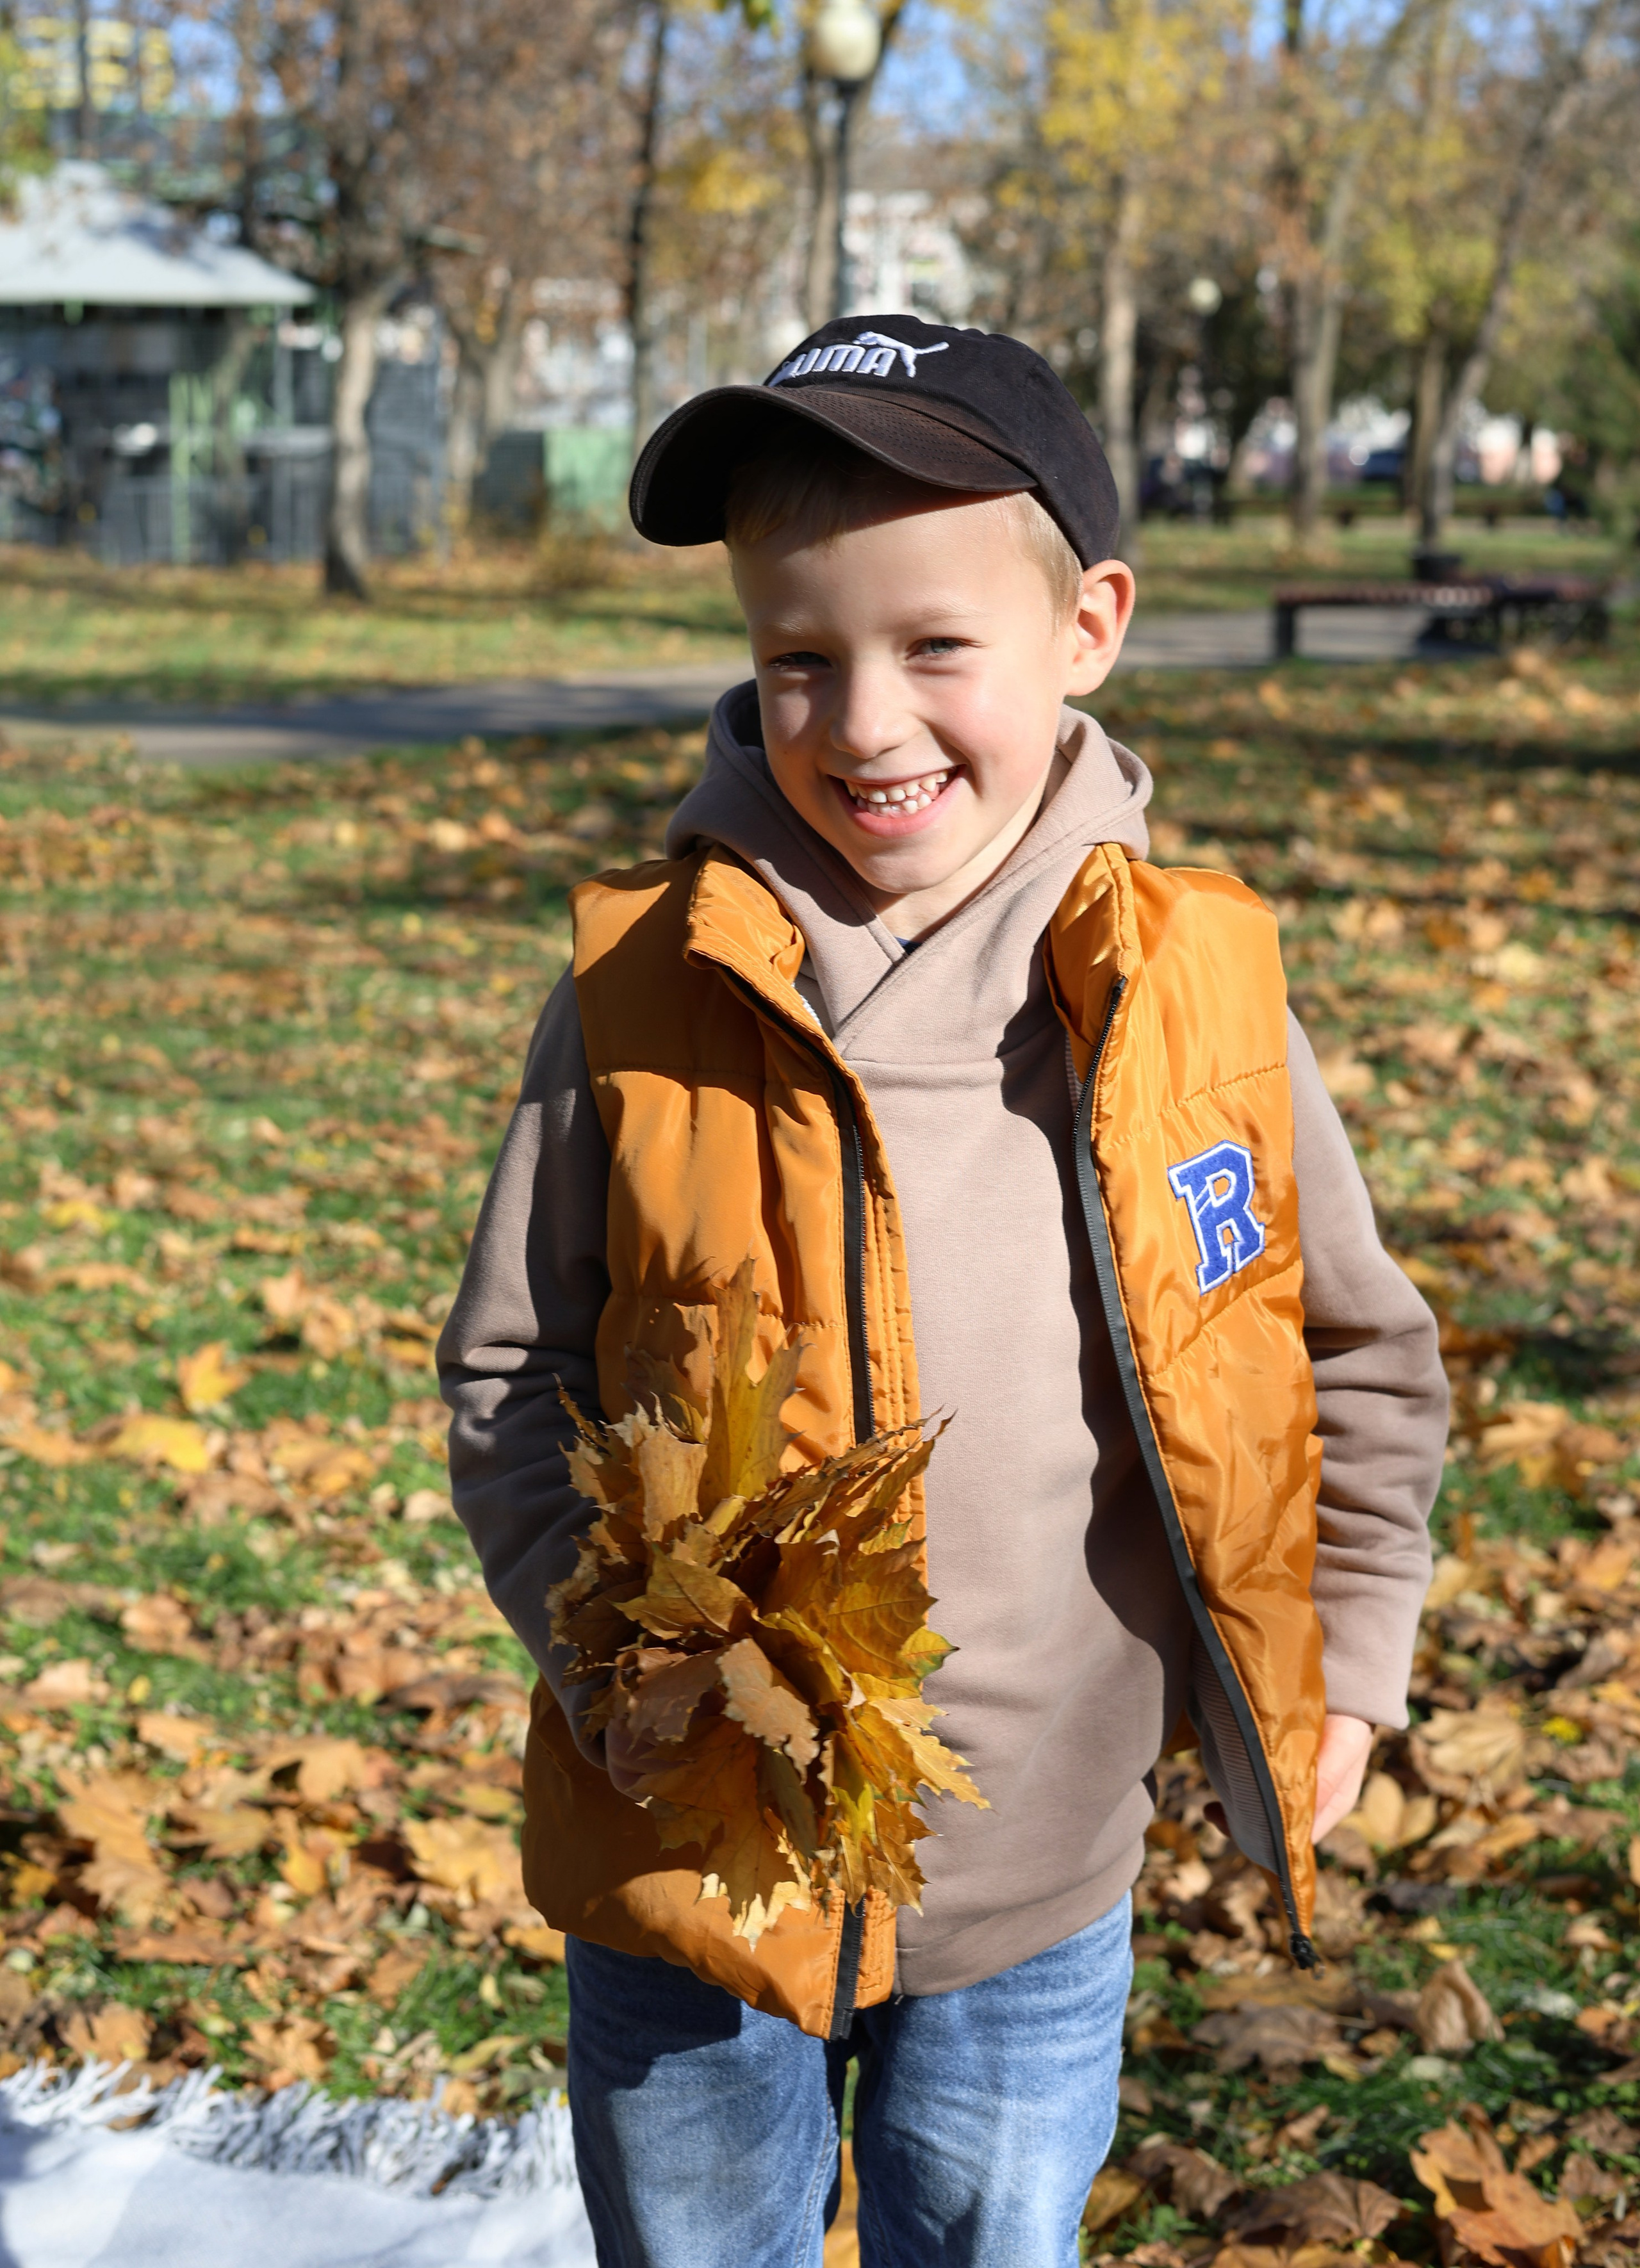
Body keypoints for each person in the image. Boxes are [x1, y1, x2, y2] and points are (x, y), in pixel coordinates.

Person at [438, 314, 1448, 2268]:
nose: (864, 723)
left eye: (933, 650)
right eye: (799, 659)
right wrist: (619, 1672)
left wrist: (1359, 1650)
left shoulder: (1192, 996)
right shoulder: (644, 989)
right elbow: (510, 1371)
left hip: (1038, 1879)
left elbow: (1355, 1355)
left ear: (1088, 630)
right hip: (691, 1875)